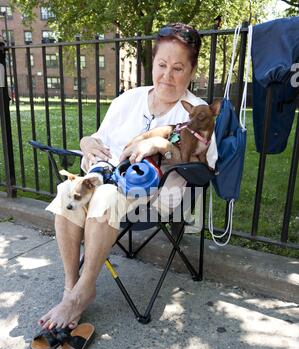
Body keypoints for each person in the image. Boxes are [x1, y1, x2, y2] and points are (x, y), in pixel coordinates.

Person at [40, 22, 218, 330]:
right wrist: (87, 142)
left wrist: (163, 144)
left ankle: (81, 294)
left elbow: (205, 164)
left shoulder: (198, 112)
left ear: (191, 71)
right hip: (105, 177)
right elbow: (99, 139)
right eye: (162, 65)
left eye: (178, 68)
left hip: (159, 195)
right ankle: (72, 288)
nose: (167, 75)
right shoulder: (128, 100)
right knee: (68, 192)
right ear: (153, 64)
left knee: (105, 197)